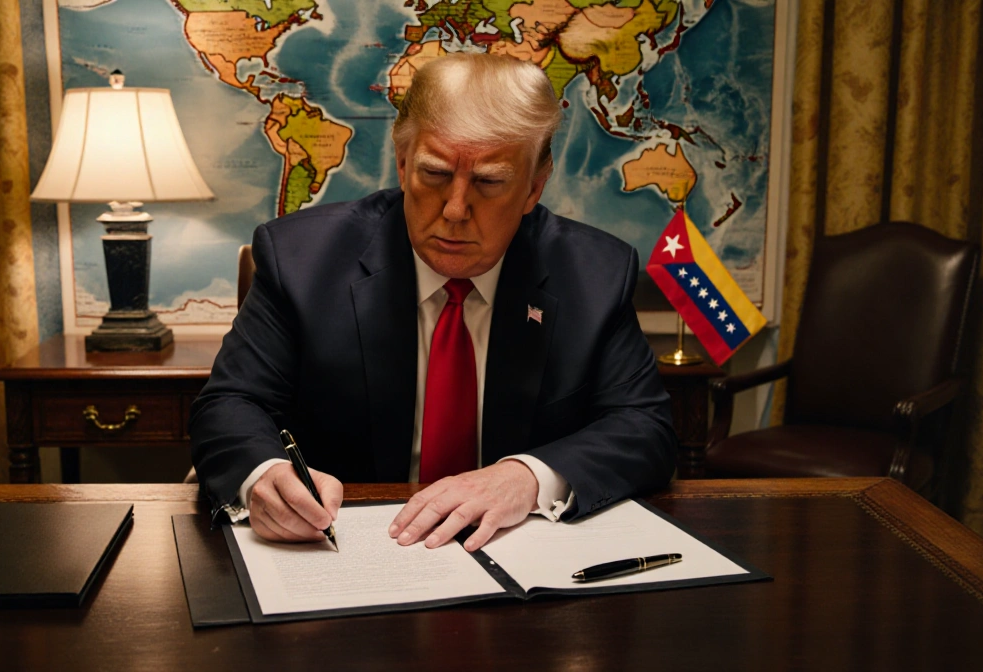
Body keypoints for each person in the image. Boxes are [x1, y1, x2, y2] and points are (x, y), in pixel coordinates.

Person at [190, 53, 676, 553]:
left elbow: (644, 428)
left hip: (518, 557)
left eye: (489, 182)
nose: (455, 209)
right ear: (402, 164)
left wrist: (525, 478)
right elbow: (230, 403)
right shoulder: (300, 261)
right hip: (347, 553)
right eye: (435, 174)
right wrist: (265, 475)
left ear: (534, 186)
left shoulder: (595, 276)